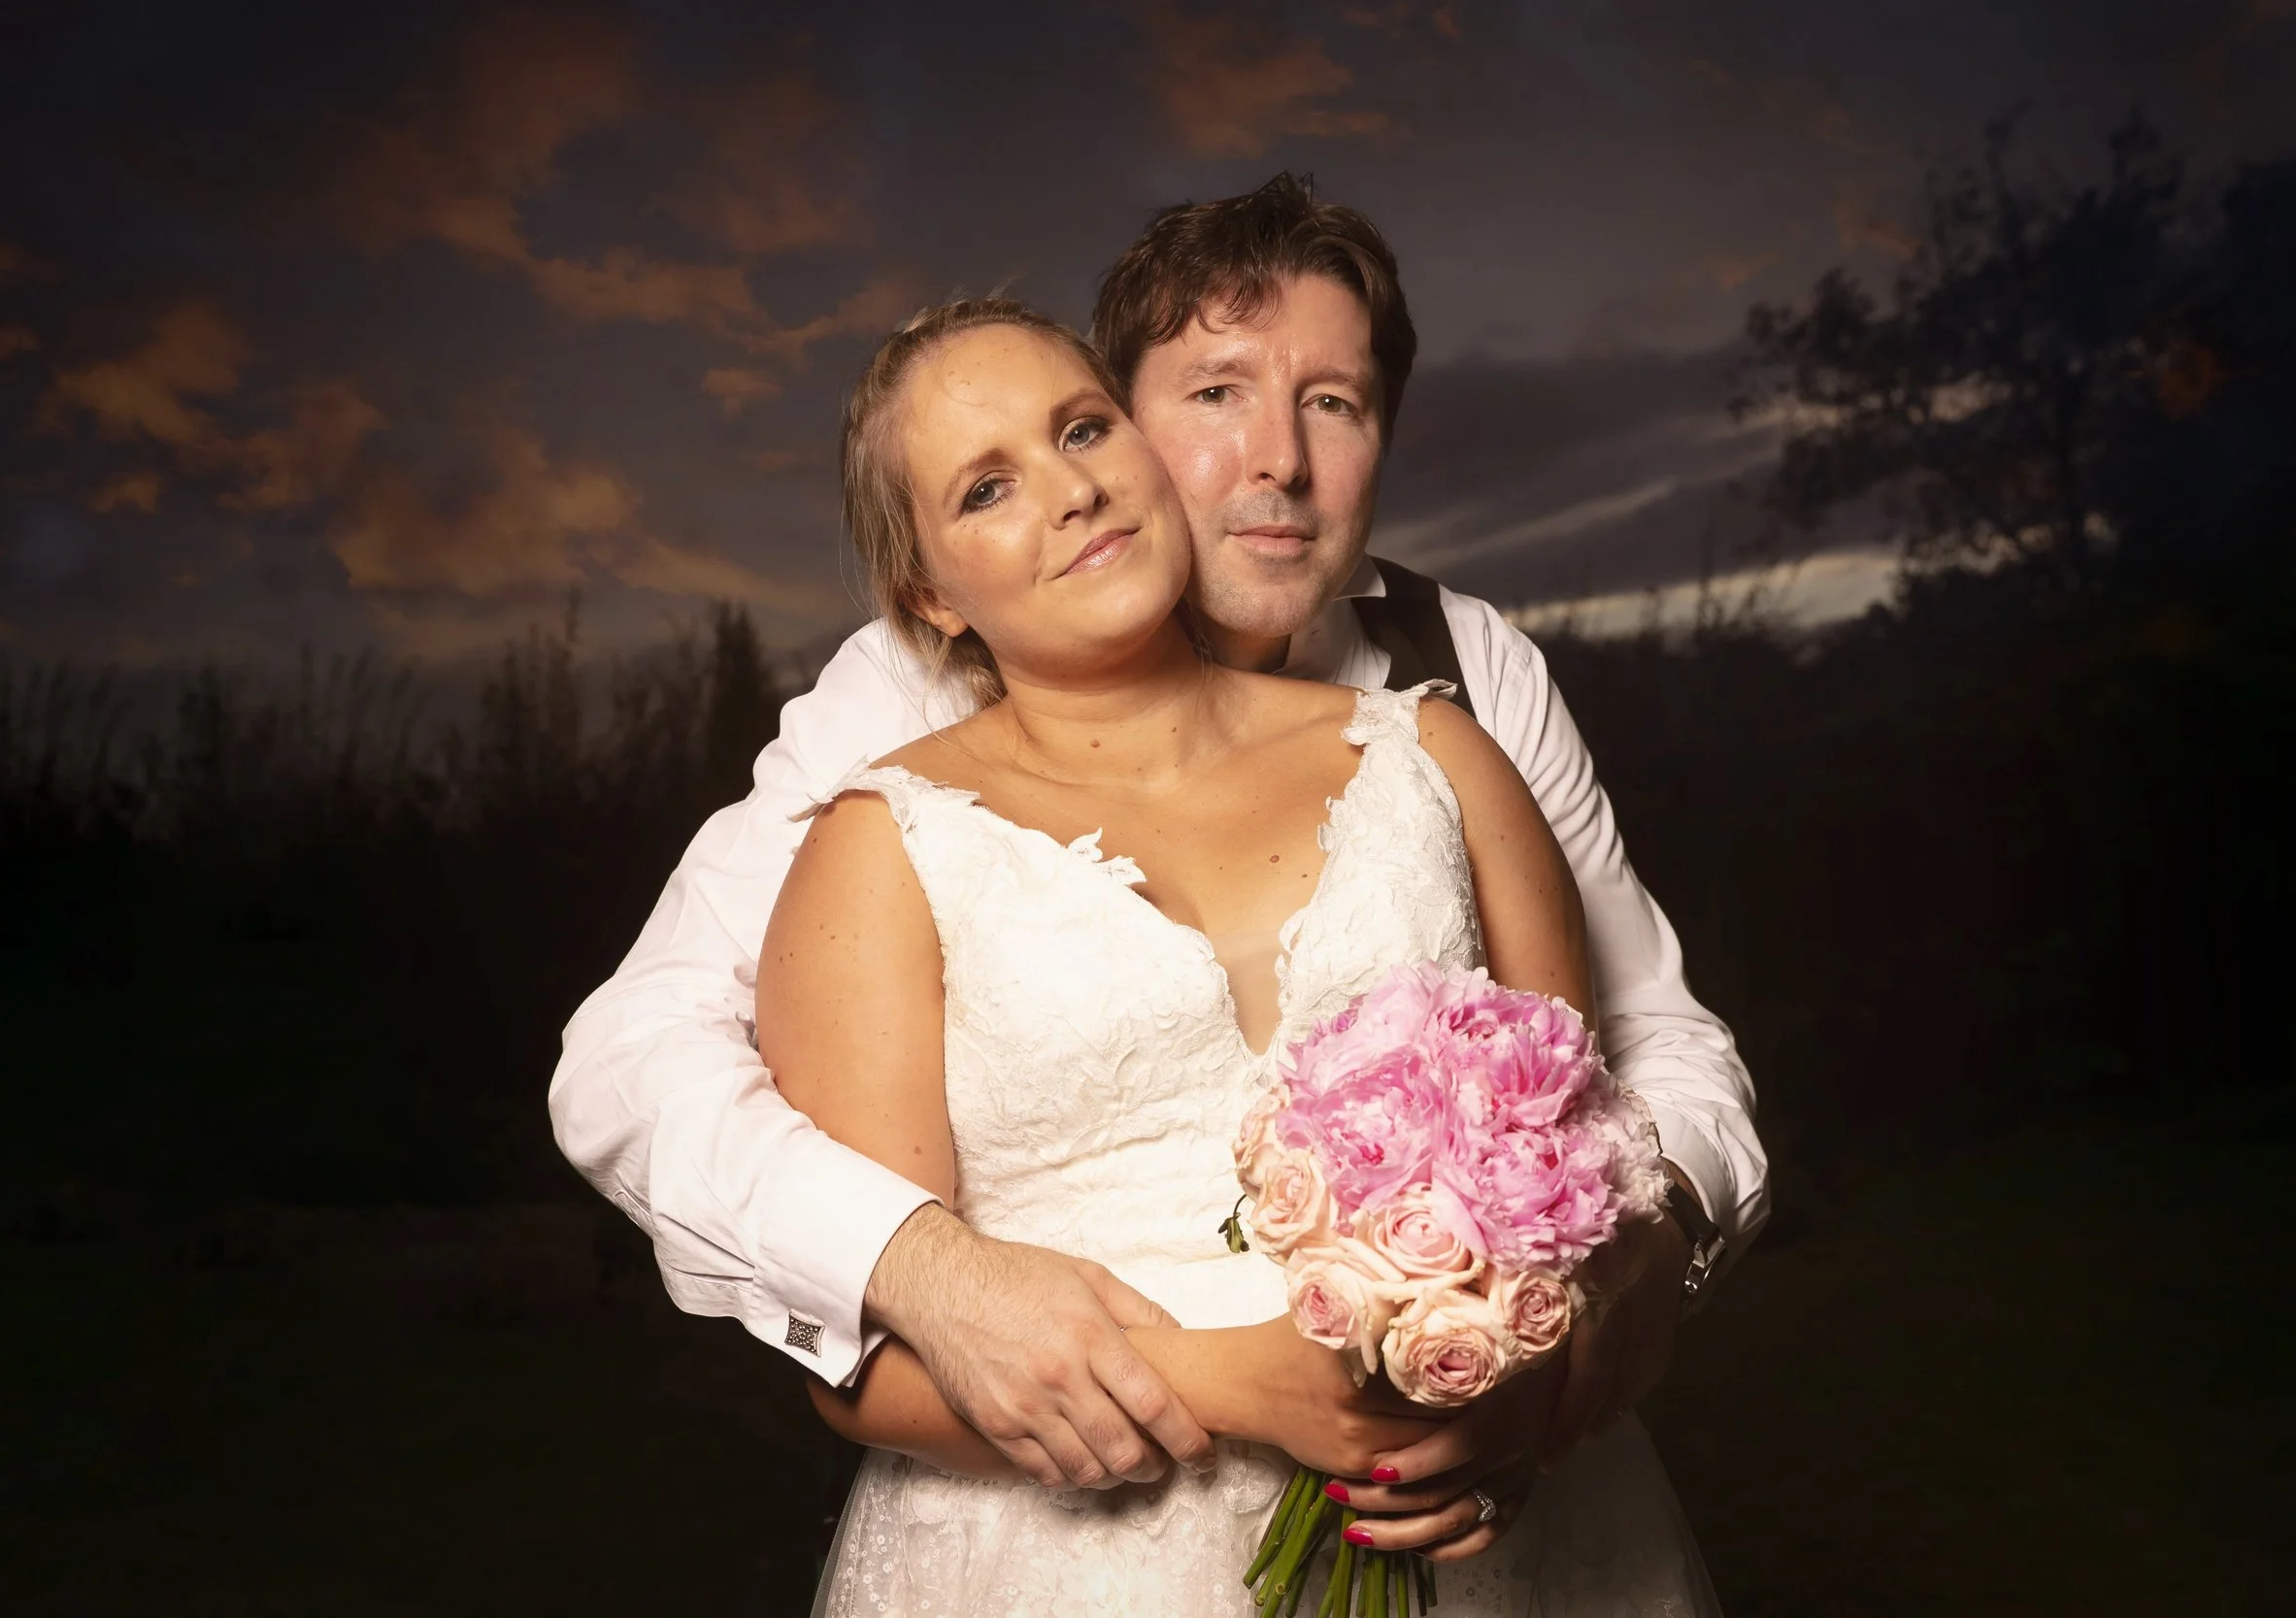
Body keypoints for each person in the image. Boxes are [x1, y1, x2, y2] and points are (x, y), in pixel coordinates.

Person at [549, 176, 1765, 1550]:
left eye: (1336, 402)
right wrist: (925, 1269)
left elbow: (1645, 1046)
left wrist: (1594, 1301)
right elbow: (633, 1054)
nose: (1278, 462)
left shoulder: (1461, 682)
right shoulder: (907, 700)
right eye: (1215, 393)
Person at [767, 295, 1719, 1611]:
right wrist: (1244, 1382)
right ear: (932, 592)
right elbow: (861, 1371)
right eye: (988, 487)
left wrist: (1527, 1407)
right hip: (1070, 1569)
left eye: (1083, 429)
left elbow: (1590, 1185)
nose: (1071, 493)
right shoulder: (879, 852)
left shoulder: (1435, 755)